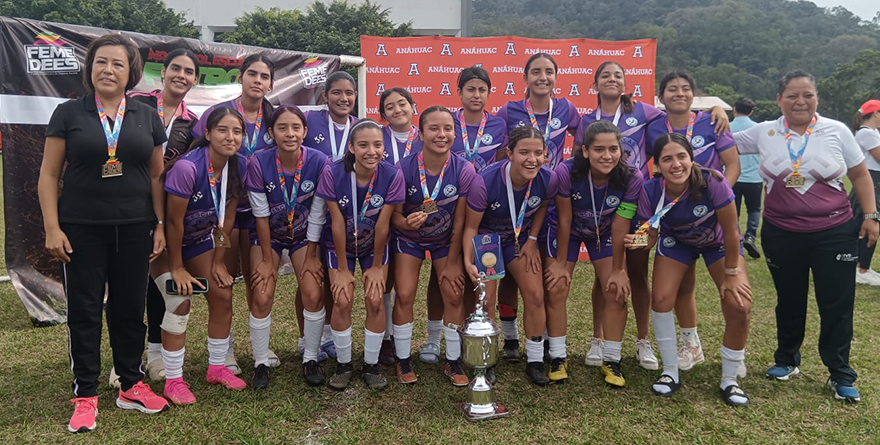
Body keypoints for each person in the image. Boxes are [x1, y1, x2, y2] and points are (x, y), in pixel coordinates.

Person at [39, 33, 170, 433]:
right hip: (82, 229)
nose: (107, 70)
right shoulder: (68, 112)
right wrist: (52, 227)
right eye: (101, 62)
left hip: (135, 228)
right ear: (89, 67)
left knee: (130, 308)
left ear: (131, 71)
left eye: (117, 63)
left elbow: (156, 175)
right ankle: (86, 393)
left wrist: (160, 224)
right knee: (85, 311)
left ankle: (130, 384)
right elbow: (48, 174)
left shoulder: (147, 114)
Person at [734, 70, 879, 403]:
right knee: (789, 298)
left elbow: (859, 174)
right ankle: (786, 359)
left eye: (808, 95)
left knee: (837, 303)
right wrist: (713, 115)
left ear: (817, 98)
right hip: (781, 233)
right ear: (778, 100)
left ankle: (840, 372)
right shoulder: (765, 132)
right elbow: (720, 140)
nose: (800, 102)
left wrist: (870, 216)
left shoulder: (837, 130)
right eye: (792, 96)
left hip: (834, 232)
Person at [626, 132, 752, 406]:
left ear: (692, 159)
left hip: (716, 243)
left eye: (681, 156)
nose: (676, 164)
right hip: (677, 242)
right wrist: (634, 241)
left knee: (739, 304)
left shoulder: (713, 181)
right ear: (658, 165)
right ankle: (670, 371)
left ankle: (730, 379)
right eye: (667, 159)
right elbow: (651, 237)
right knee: (660, 300)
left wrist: (731, 274)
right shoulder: (651, 189)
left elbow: (731, 233)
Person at [116, 47, 200, 387]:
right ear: (162, 72)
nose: (181, 75)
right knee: (127, 285)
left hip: (162, 210)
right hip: (125, 205)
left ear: (195, 80)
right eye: (175, 68)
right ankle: (127, 358)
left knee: (157, 286)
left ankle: (154, 355)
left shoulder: (192, 123)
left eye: (188, 71)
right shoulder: (134, 104)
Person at [646, 70, 740, 374]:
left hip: (710, 215)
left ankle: (736, 355)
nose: (679, 94)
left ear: (693, 95)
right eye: (672, 89)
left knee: (732, 292)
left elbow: (733, 163)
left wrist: (718, 194)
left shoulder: (711, 121)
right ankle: (691, 344)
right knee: (680, 289)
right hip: (676, 217)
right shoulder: (653, 126)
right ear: (661, 98)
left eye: (685, 89)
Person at [418, 66, 508, 366]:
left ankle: (478, 344)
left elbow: (498, 164)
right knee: (440, 276)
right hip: (450, 211)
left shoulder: (498, 124)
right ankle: (433, 339)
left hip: (486, 213)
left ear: (488, 93)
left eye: (482, 89)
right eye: (470, 89)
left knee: (482, 280)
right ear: (459, 92)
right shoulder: (446, 122)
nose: (476, 94)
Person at [193, 54, 277, 374]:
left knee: (259, 282)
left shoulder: (275, 118)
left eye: (264, 76)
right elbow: (199, 151)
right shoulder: (220, 114)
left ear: (271, 83)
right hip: (223, 211)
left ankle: (260, 347)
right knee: (223, 277)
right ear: (240, 78)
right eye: (252, 74)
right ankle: (225, 349)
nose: (258, 81)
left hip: (259, 213)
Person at [495, 53, 579, 363]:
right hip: (516, 202)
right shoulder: (509, 110)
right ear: (525, 77)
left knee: (540, 271)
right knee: (506, 276)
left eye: (548, 72)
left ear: (556, 77)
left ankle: (540, 337)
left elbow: (586, 137)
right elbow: (498, 152)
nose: (542, 77)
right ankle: (510, 337)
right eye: (536, 72)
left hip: (550, 200)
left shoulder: (567, 109)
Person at [163, 106, 250, 402]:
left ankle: (216, 367)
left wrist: (217, 261)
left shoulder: (239, 165)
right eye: (223, 130)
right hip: (166, 244)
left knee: (223, 294)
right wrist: (177, 267)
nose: (230, 137)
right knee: (180, 301)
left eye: (237, 131)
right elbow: (174, 222)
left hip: (200, 240)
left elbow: (227, 218)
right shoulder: (188, 168)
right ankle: (173, 379)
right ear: (208, 133)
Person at [546, 120, 641, 385]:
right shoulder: (566, 171)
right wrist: (562, 263)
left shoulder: (632, 177)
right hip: (569, 231)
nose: (607, 156)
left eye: (613, 149)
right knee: (557, 286)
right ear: (585, 151)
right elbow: (564, 219)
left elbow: (622, 224)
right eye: (599, 149)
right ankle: (557, 355)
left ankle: (612, 361)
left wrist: (620, 270)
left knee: (615, 290)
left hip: (606, 233)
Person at [463, 125, 558, 386]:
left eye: (538, 153)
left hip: (519, 240)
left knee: (535, 294)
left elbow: (543, 206)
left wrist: (532, 239)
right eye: (524, 152)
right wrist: (468, 260)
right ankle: (488, 359)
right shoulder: (485, 181)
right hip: (487, 239)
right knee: (487, 296)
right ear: (510, 153)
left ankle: (535, 361)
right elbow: (470, 226)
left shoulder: (548, 178)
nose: (532, 159)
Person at [244, 106, 330, 388]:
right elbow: (260, 214)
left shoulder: (318, 160)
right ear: (271, 133)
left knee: (313, 292)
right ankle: (260, 363)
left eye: (296, 127)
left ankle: (310, 357)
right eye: (282, 127)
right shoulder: (259, 161)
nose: (290, 133)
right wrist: (268, 259)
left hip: (305, 235)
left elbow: (317, 213)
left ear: (305, 132)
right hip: (269, 234)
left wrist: (313, 255)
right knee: (262, 293)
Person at [316, 119, 405, 390]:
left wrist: (377, 265)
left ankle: (371, 364)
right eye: (363, 145)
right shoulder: (333, 173)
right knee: (342, 300)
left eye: (377, 145)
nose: (371, 151)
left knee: (376, 300)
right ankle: (344, 364)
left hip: (373, 247)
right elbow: (336, 222)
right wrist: (343, 268)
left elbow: (382, 224)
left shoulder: (392, 174)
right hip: (338, 245)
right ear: (352, 147)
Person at [391, 106, 476, 386]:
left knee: (453, 293)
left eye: (448, 129)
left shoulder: (464, 168)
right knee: (404, 294)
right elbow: (394, 215)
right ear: (421, 132)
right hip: (409, 240)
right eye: (434, 129)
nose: (442, 135)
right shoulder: (403, 168)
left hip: (445, 242)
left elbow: (461, 221)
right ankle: (403, 361)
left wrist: (452, 262)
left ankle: (453, 361)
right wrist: (406, 224)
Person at [300, 71, 360, 362]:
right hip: (308, 211)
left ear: (356, 96)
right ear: (325, 96)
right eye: (336, 92)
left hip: (345, 215)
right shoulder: (310, 121)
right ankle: (306, 338)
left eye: (349, 93)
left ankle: (328, 337)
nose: (343, 98)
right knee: (311, 278)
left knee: (334, 277)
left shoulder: (361, 128)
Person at [850, 99, 880, 286]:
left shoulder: (873, 133)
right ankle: (861, 268)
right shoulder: (866, 133)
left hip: (875, 180)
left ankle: (864, 266)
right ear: (876, 113)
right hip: (871, 180)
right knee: (869, 222)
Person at [729, 97, 762, 259]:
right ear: (751, 112)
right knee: (754, 209)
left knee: (733, 210)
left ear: (734, 109)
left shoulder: (725, 128)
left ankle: (737, 237)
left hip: (732, 177)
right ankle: (750, 236)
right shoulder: (758, 129)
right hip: (754, 178)